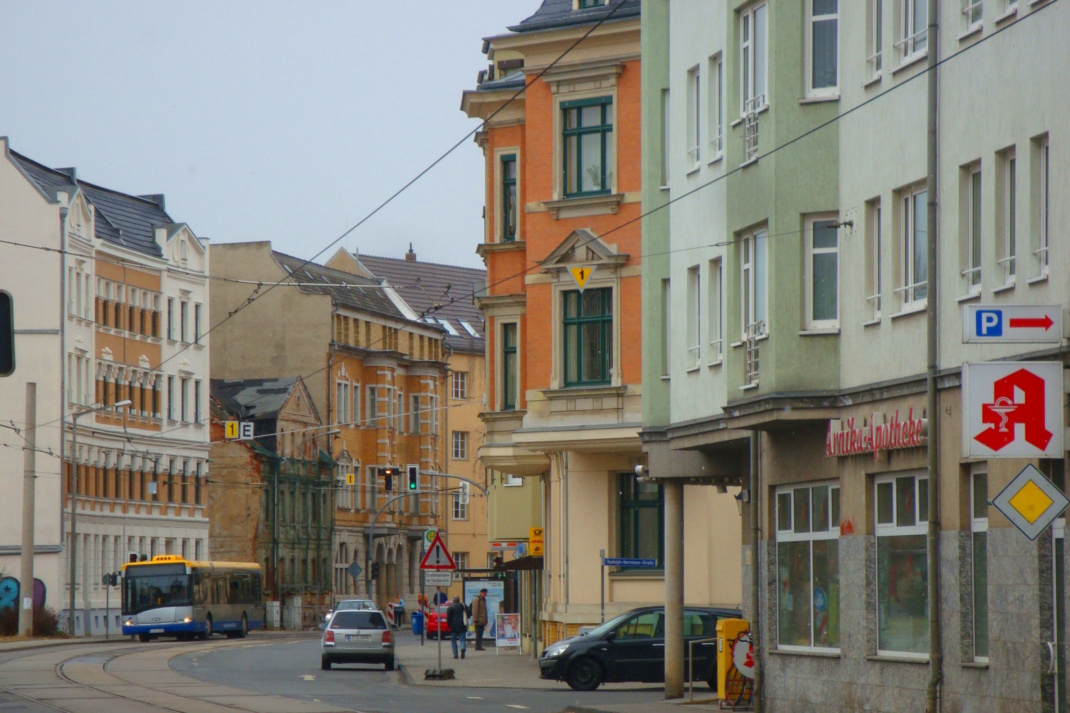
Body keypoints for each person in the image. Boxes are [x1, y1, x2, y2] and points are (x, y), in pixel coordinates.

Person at [447, 595, 468, 660]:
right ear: (459, 600)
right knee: (462, 639)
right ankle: (462, 648)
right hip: (462, 625)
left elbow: (448, 618)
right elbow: (469, 613)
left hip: (453, 626)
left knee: (453, 640)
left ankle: (455, 655)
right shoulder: (463, 606)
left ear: (453, 601)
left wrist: (449, 625)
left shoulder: (450, 607)